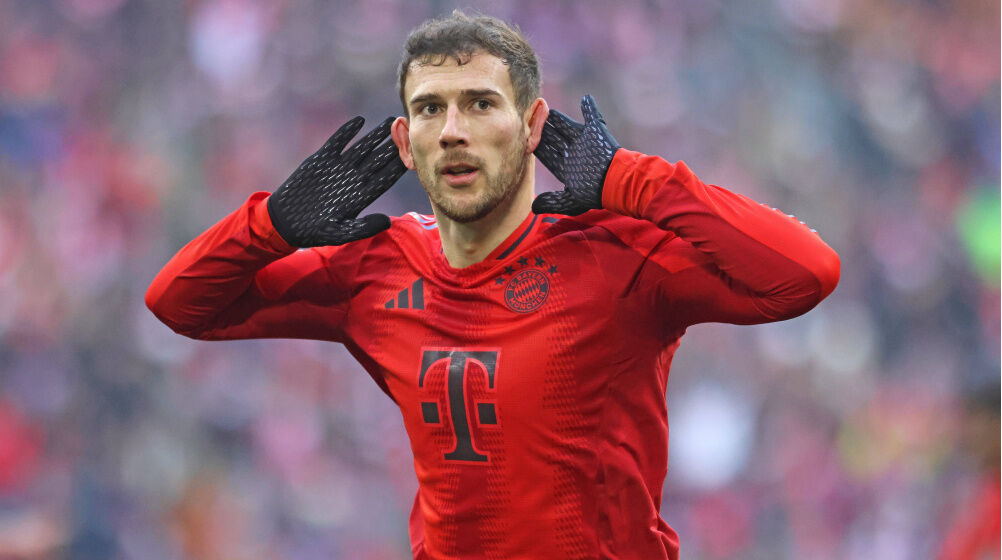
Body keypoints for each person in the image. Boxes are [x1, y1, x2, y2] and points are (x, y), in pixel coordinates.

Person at [146, 10, 840, 560]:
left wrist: (632, 179)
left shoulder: (614, 255)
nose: (453, 131)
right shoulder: (372, 268)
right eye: (430, 109)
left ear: (532, 125)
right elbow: (179, 304)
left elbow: (802, 274)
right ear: (404, 140)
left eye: (480, 104)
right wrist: (270, 224)